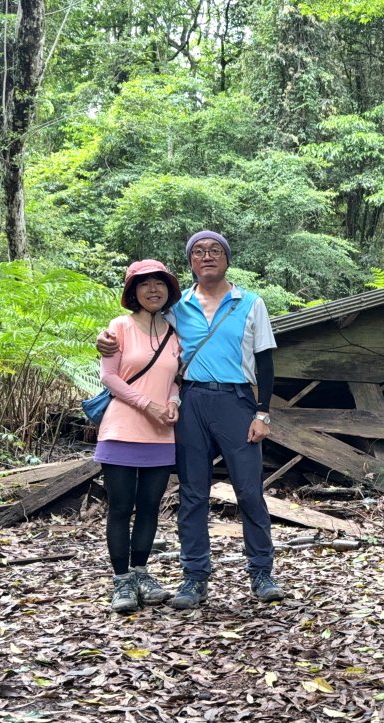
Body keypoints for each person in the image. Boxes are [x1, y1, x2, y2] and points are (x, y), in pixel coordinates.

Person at [99, 230, 285, 609]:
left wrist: (263, 412)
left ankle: (261, 572)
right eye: (198, 251)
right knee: (193, 492)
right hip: (191, 400)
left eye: (215, 250)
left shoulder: (251, 303)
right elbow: (140, 330)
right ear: (190, 263)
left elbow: (265, 361)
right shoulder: (176, 307)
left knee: (249, 490)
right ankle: (194, 576)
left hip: (237, 400)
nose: (207, 256)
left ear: (227, 258)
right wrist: (103, 340)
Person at [97, 260, 182, 613]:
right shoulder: (119, 327)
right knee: (120, 507)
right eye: (144, 284)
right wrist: (149, 405)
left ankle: (141, 573)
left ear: (168, 290)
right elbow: (109, 377)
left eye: (159, 283)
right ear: (133, 292)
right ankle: (122, 581)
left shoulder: (173, 333)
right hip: (121, 430)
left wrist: (173, 401)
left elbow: (174, 379)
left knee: (149, 507)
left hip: (161, 434)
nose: (152, 289)